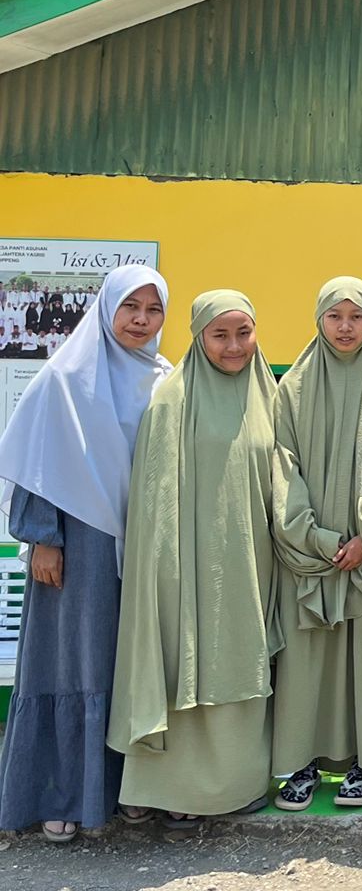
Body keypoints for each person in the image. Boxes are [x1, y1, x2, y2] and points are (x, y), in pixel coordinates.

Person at [0, 268, 172, 842]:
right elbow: (35, 460)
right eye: (130, 307)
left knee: (127, 664)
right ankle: (59, 791)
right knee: (72, 659)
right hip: (78, 544)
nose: (141, 319)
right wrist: (43, 536)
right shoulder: (65, 378)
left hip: (143, 542)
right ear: (106, 309)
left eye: (153, 309)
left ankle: (124, 791)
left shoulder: (165, 378)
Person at [109, 291, 280, 828]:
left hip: (252, 563)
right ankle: (168, 788)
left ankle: (235, 785)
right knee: (186, 662)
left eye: (243, 333)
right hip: (190, 568)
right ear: (198, 336)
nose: (234, 346)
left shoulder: (266, 394)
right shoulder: (171, 400)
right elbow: (157, 503)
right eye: (220, 335)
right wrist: (172, 574)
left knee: (240, 663)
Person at [269, 278, 362, 812]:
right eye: (335, 316)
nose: (345, 327)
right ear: (318, 320)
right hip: (308, 554)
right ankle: (302, 762)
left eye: (356, 317)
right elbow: (280, 468)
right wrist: (316, 538)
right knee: (308, 660)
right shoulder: (290, 390)